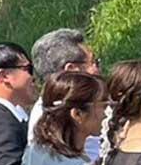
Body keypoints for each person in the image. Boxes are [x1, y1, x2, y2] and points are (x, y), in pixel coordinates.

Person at [28, 28, 102, 157]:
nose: (97, 70)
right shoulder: (59, 114)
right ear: (71, 69)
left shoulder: (48, 106)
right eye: (93, 62)